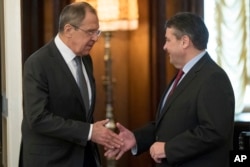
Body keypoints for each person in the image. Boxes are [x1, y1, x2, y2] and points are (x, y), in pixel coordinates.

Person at [105, 12, 235, 167]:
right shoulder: (184, 74)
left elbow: (214, 132)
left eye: (168, 40)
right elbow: (169, 125)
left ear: (185, 41)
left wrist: (169, 148)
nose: (164, 46)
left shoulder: (213, 78)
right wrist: (136, 138)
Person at [19, 2, 123, 167]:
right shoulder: (38, 63)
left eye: (97, 32)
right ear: (68, 30)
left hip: (84, 157)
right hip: (51, 160)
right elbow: (37, 118)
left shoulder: (86, 59)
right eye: (90, 32)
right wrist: (89, 132)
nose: (96, 38)